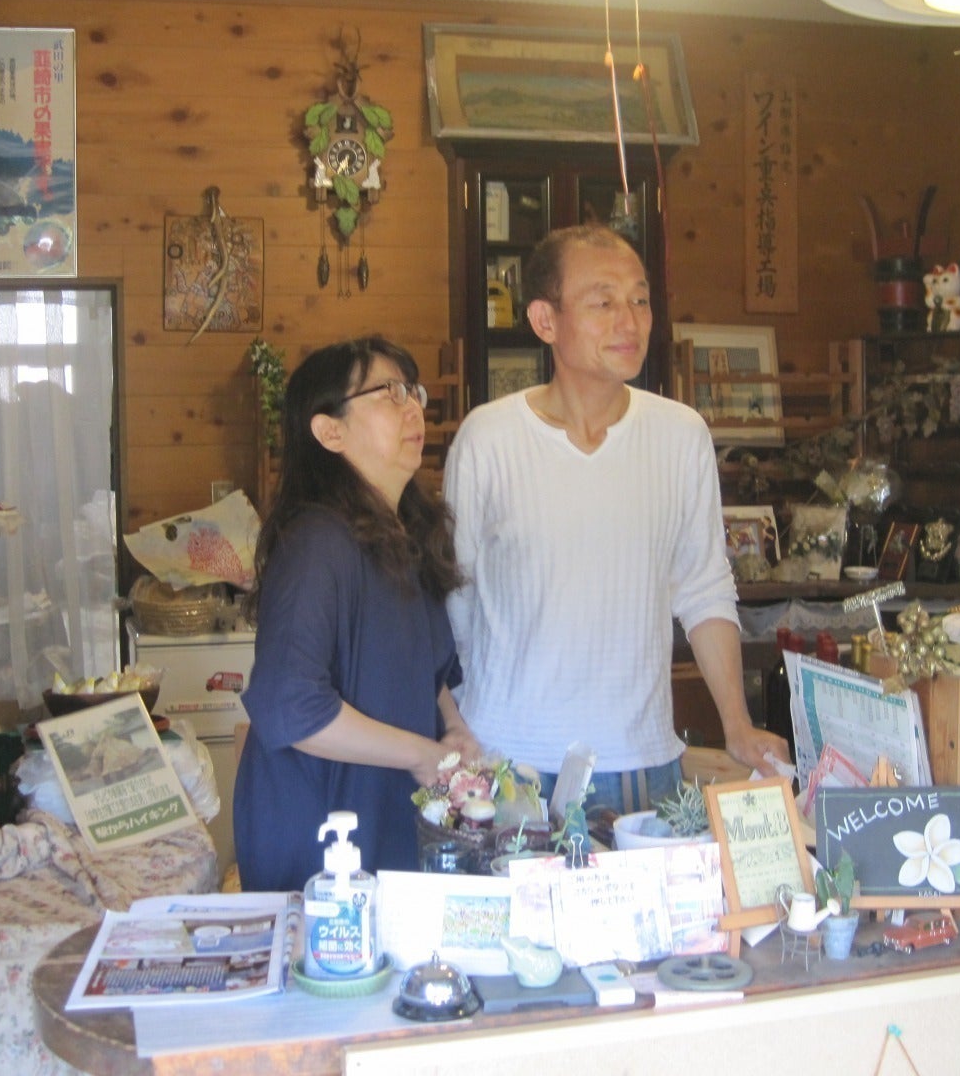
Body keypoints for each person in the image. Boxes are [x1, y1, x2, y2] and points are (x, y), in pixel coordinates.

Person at [444, 224, 789, 817]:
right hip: (508, 762)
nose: (629, 322)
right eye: (603, 303)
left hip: (640, 759)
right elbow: (455, 596)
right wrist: (464, 724)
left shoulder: (681, 435)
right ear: (545, 321)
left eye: (640, 300)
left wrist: (736, 722)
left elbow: (704, 587)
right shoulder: (488, 438)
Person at [234, 336, 478, 892]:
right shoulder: (317, 543)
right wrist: (422, 755)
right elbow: (292, 705)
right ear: (330, 432)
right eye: (389, 393)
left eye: (412, 391)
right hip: (318, 833)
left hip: (387, 814)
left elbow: (432, 672)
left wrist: (455, 730)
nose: (413, 408)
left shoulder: (405, 534)